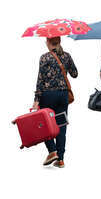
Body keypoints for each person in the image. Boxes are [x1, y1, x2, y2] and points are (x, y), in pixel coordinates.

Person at [33, 36, 78, 168]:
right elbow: (75, 74)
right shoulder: (67, 56)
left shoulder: (44, 58)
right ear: (60, 42)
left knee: (44, 125)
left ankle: (52, 151)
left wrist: (36, 100)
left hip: (47, 96)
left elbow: (40, 80)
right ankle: (61, 159)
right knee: (61, 126)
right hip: (62, 95)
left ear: (47, 42)